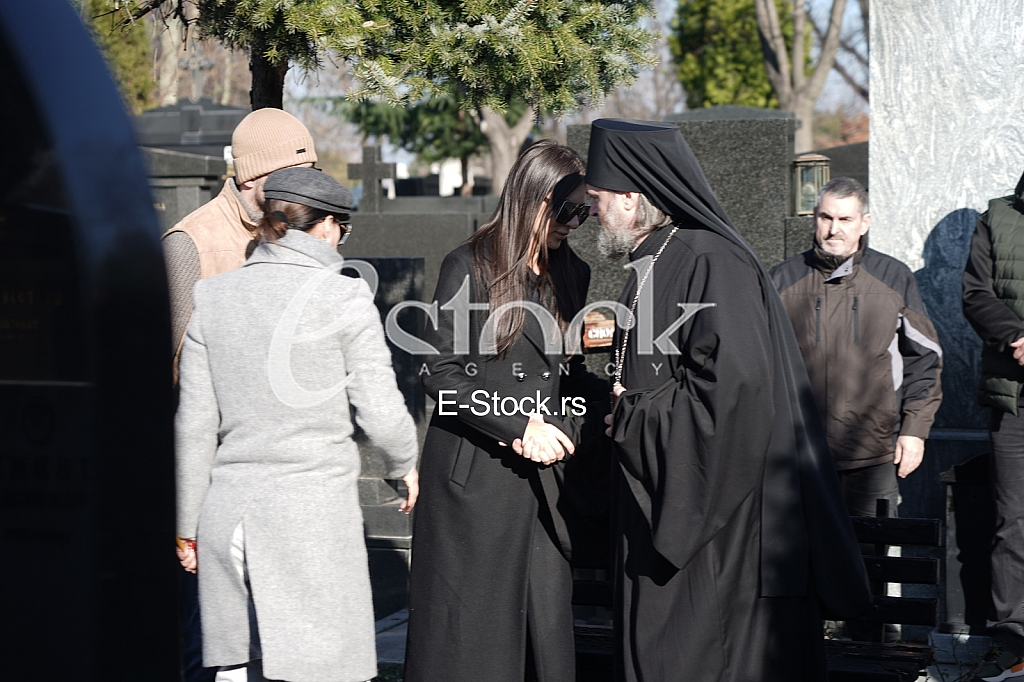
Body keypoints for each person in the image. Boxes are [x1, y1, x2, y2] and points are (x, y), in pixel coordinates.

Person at [588, 118, 871, 682]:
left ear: (630, 196)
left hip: (716, 524)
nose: (592, 211)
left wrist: (636, 413)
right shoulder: (655, 258)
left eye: (596, 200)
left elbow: (736, 388)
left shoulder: (711, 261)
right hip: (660, 493)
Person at [175, 167, 419, 682]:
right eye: (342, 228)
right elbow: (379, 406)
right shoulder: (342, 296)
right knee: (324, 670)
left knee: (236, 670)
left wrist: (187, 527)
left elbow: (194, 425)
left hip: (229, 516)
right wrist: (405, 463)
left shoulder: (213, 299)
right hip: (308, 517)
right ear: (326, 225)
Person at [404, 140, 609, 682]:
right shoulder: (468, 265)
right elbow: (439, 375)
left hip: (544, 484)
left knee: (546, 639)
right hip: (475, 487)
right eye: (568, 211)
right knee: (472, 644)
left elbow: (568, 374)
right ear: (534, 199)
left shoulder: (574, 273)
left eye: (584, 212)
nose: (576, 224)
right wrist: (519, 427)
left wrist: (597, 405)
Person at [164, 108, 318, 682]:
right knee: (211, 647)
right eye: (287, 184)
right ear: (251, 178)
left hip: (284, 473)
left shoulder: (296, 235)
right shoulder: (191, 246)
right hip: (215, 483)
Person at [770, 177, 942, 516]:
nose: (834, 229)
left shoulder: (893, 277)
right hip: (799, 453)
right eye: (826, 218)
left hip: (874, 451)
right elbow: (759, 363)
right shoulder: (781, 280)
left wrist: (914, 431)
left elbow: (925, 359)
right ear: (815, 218)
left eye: (845, 219)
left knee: (870, 563)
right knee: (802, 564)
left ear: (865, 223)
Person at [962, 169, 1024, 682]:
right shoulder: (997, 218)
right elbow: (975, 294)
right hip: (1015, 400)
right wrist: (1018, 336)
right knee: (1013, 523)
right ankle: (1012, 639)